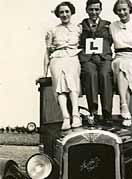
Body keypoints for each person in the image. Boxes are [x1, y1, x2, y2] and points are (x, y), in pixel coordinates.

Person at [43, 1, 82, 130]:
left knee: (72, 85)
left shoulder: (78, 29)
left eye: (67, 11)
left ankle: (76, 115)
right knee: (59, 86)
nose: (64, 14)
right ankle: (66, 117)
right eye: (61, 12)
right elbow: (47, 52)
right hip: (57, 59)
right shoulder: (52, 30)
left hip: (72, 57)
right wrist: (44, 72)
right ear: (58, 14)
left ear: (71, 12)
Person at [78, 0, 113, 122]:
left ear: (100, 10)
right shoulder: (80, 26)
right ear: (86, 10)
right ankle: (93, 112)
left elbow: (117, 39)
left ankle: (107, 113)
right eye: (91, 9)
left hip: (104, 58)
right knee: (90, 74)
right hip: (88, 59)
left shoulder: (108, 25)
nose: (94, 12)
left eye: (96, 9)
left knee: (105, 75)